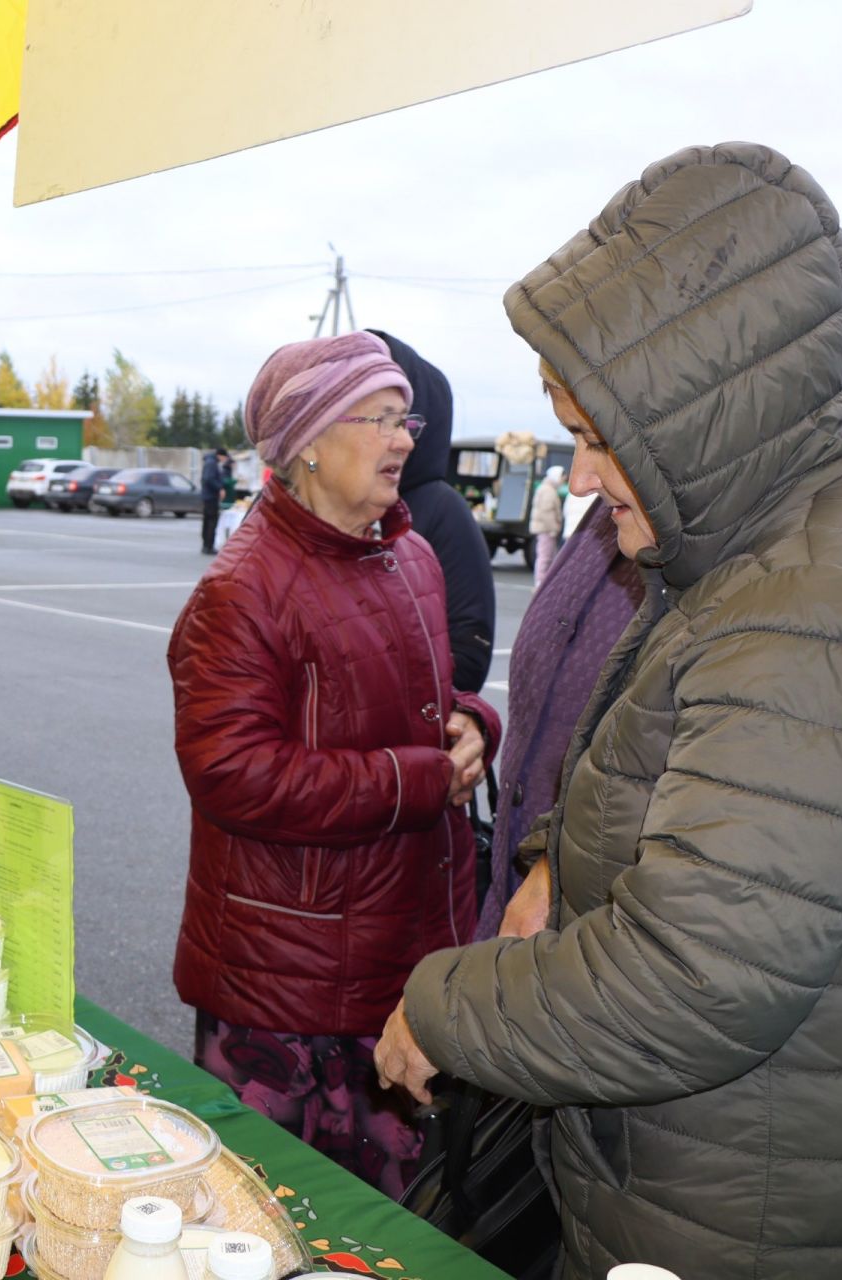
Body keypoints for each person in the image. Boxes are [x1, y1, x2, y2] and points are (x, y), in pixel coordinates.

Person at [376, 144, 842, 1278]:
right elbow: (677, 772)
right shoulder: (758, 553)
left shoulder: (815, 605)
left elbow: (696, 978)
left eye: (604, 442)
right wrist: (558, 857)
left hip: (740, 1218)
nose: (588, 480)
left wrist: (446, 1003)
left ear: (706, 419)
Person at [169, 330, 499, 1196]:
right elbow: (234, 772)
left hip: (402, 955)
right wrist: (421, 778)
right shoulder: (241, 591)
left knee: (393, 1225)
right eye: (382, 419)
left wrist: (472, 728)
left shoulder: (411, 557)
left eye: (408, 417)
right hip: (286, 992)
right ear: (309, 441)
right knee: (271, 1218)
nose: (406, 439)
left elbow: (424, 697)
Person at [476, 442, 643, 939]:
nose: (578, 480)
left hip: (595, 952)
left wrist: (553, 865)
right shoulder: (609, 517)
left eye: (599, 440)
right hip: (529, 916)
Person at [368, 330, 497, 692]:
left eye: (403, 421)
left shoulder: (442, 509)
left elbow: (470, 645)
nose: (398, 438)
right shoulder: (305, 502)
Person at [528, 464, 566, 585]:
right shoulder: (548, 491)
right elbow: (546, 512)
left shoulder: (546, 488)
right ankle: (540, 582)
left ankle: (542, 581)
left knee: (546, 555)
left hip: (544, 528)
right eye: (562, 478)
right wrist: (554, 528)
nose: (562, 481)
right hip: (546, 529)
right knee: (545, 556)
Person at [200, 446, 229, 553]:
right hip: (211, 496)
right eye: (224, 457)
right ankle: (209, 545)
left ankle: (206, 545)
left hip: (207, 496)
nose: (224, 460)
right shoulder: (212, 463)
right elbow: (209, 479)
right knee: (211, 521)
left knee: (207, 521)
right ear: (220, 455)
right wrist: (219, 488)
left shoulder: (209, 461)